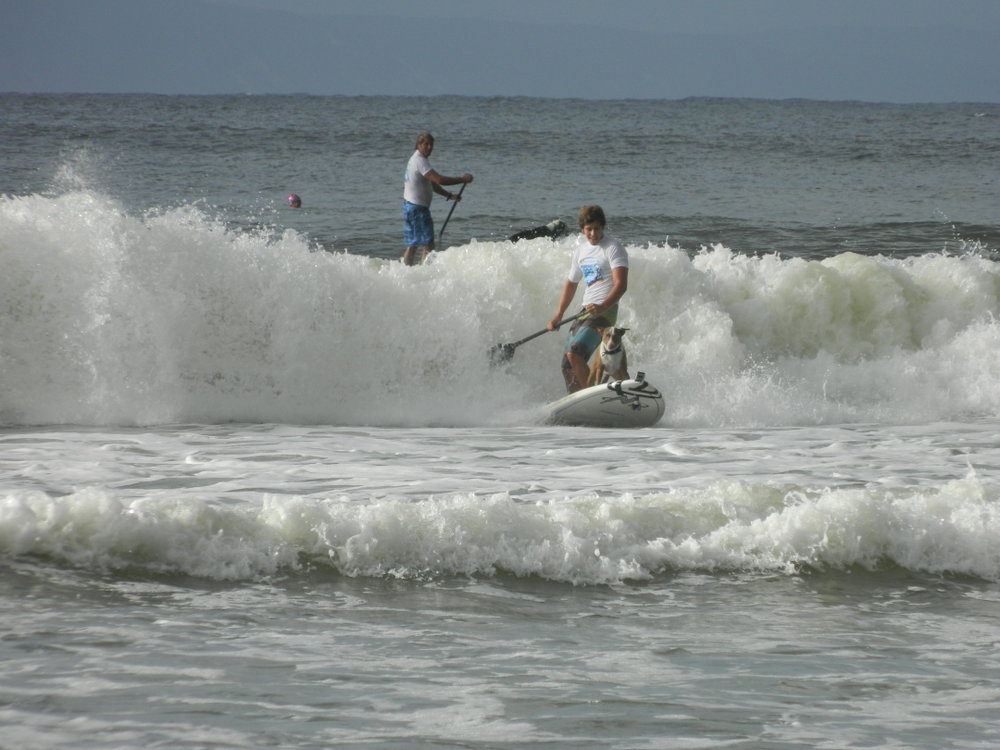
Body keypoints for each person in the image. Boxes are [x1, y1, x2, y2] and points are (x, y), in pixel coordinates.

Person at [547, 205, 629, 393]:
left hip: (605, 311)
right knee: (567, 365)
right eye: (589, 229)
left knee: (574, 353)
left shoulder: (613, 248)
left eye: (597, 228)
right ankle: (578, 404)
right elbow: (571, 283)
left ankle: (594, 397)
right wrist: (558, 314)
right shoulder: (581, 251)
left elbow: (621, 285)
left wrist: (602, 306)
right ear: (582, 229)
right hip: (585, 311)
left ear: (603, 227)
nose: (593, 233)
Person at [402, 132, 473, 265]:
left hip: (410, 207)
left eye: (431, 145)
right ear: (418, 145)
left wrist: (449, 196)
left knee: (413, 244)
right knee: (428, 244)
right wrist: (462, 179)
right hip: (418, 209)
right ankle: (426, 273)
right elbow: (439, 180)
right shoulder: (420, 161)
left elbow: (432, 184)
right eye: (426, 144)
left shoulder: (415, 159)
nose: (429, 147)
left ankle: (405, 272)